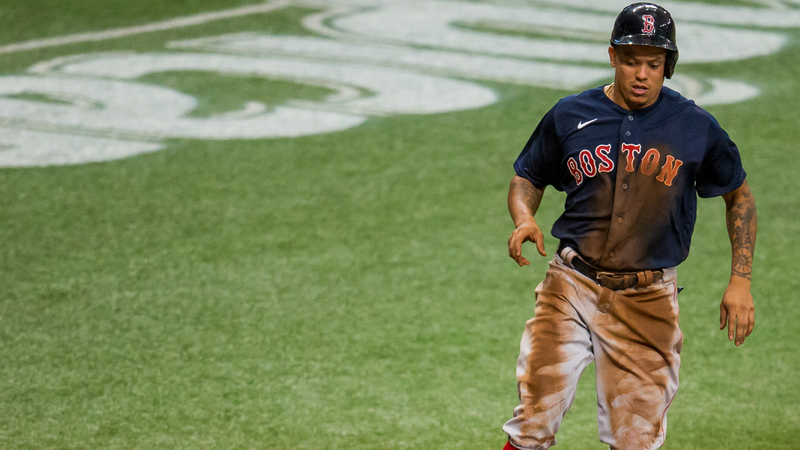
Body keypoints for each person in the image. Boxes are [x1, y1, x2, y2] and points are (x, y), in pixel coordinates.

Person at [501, 3, 757, 450]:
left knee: (635, 440)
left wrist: (741, 280)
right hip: (571, 286)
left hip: (647, 301)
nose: (642, 74)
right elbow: (528, 177)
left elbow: (740, 196)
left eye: (653, 64)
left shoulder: (694, 126)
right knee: (533, 421)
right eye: (632, 61)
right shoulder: (570, 114)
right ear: (612, 57)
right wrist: (524, 218)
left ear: (668, 66)